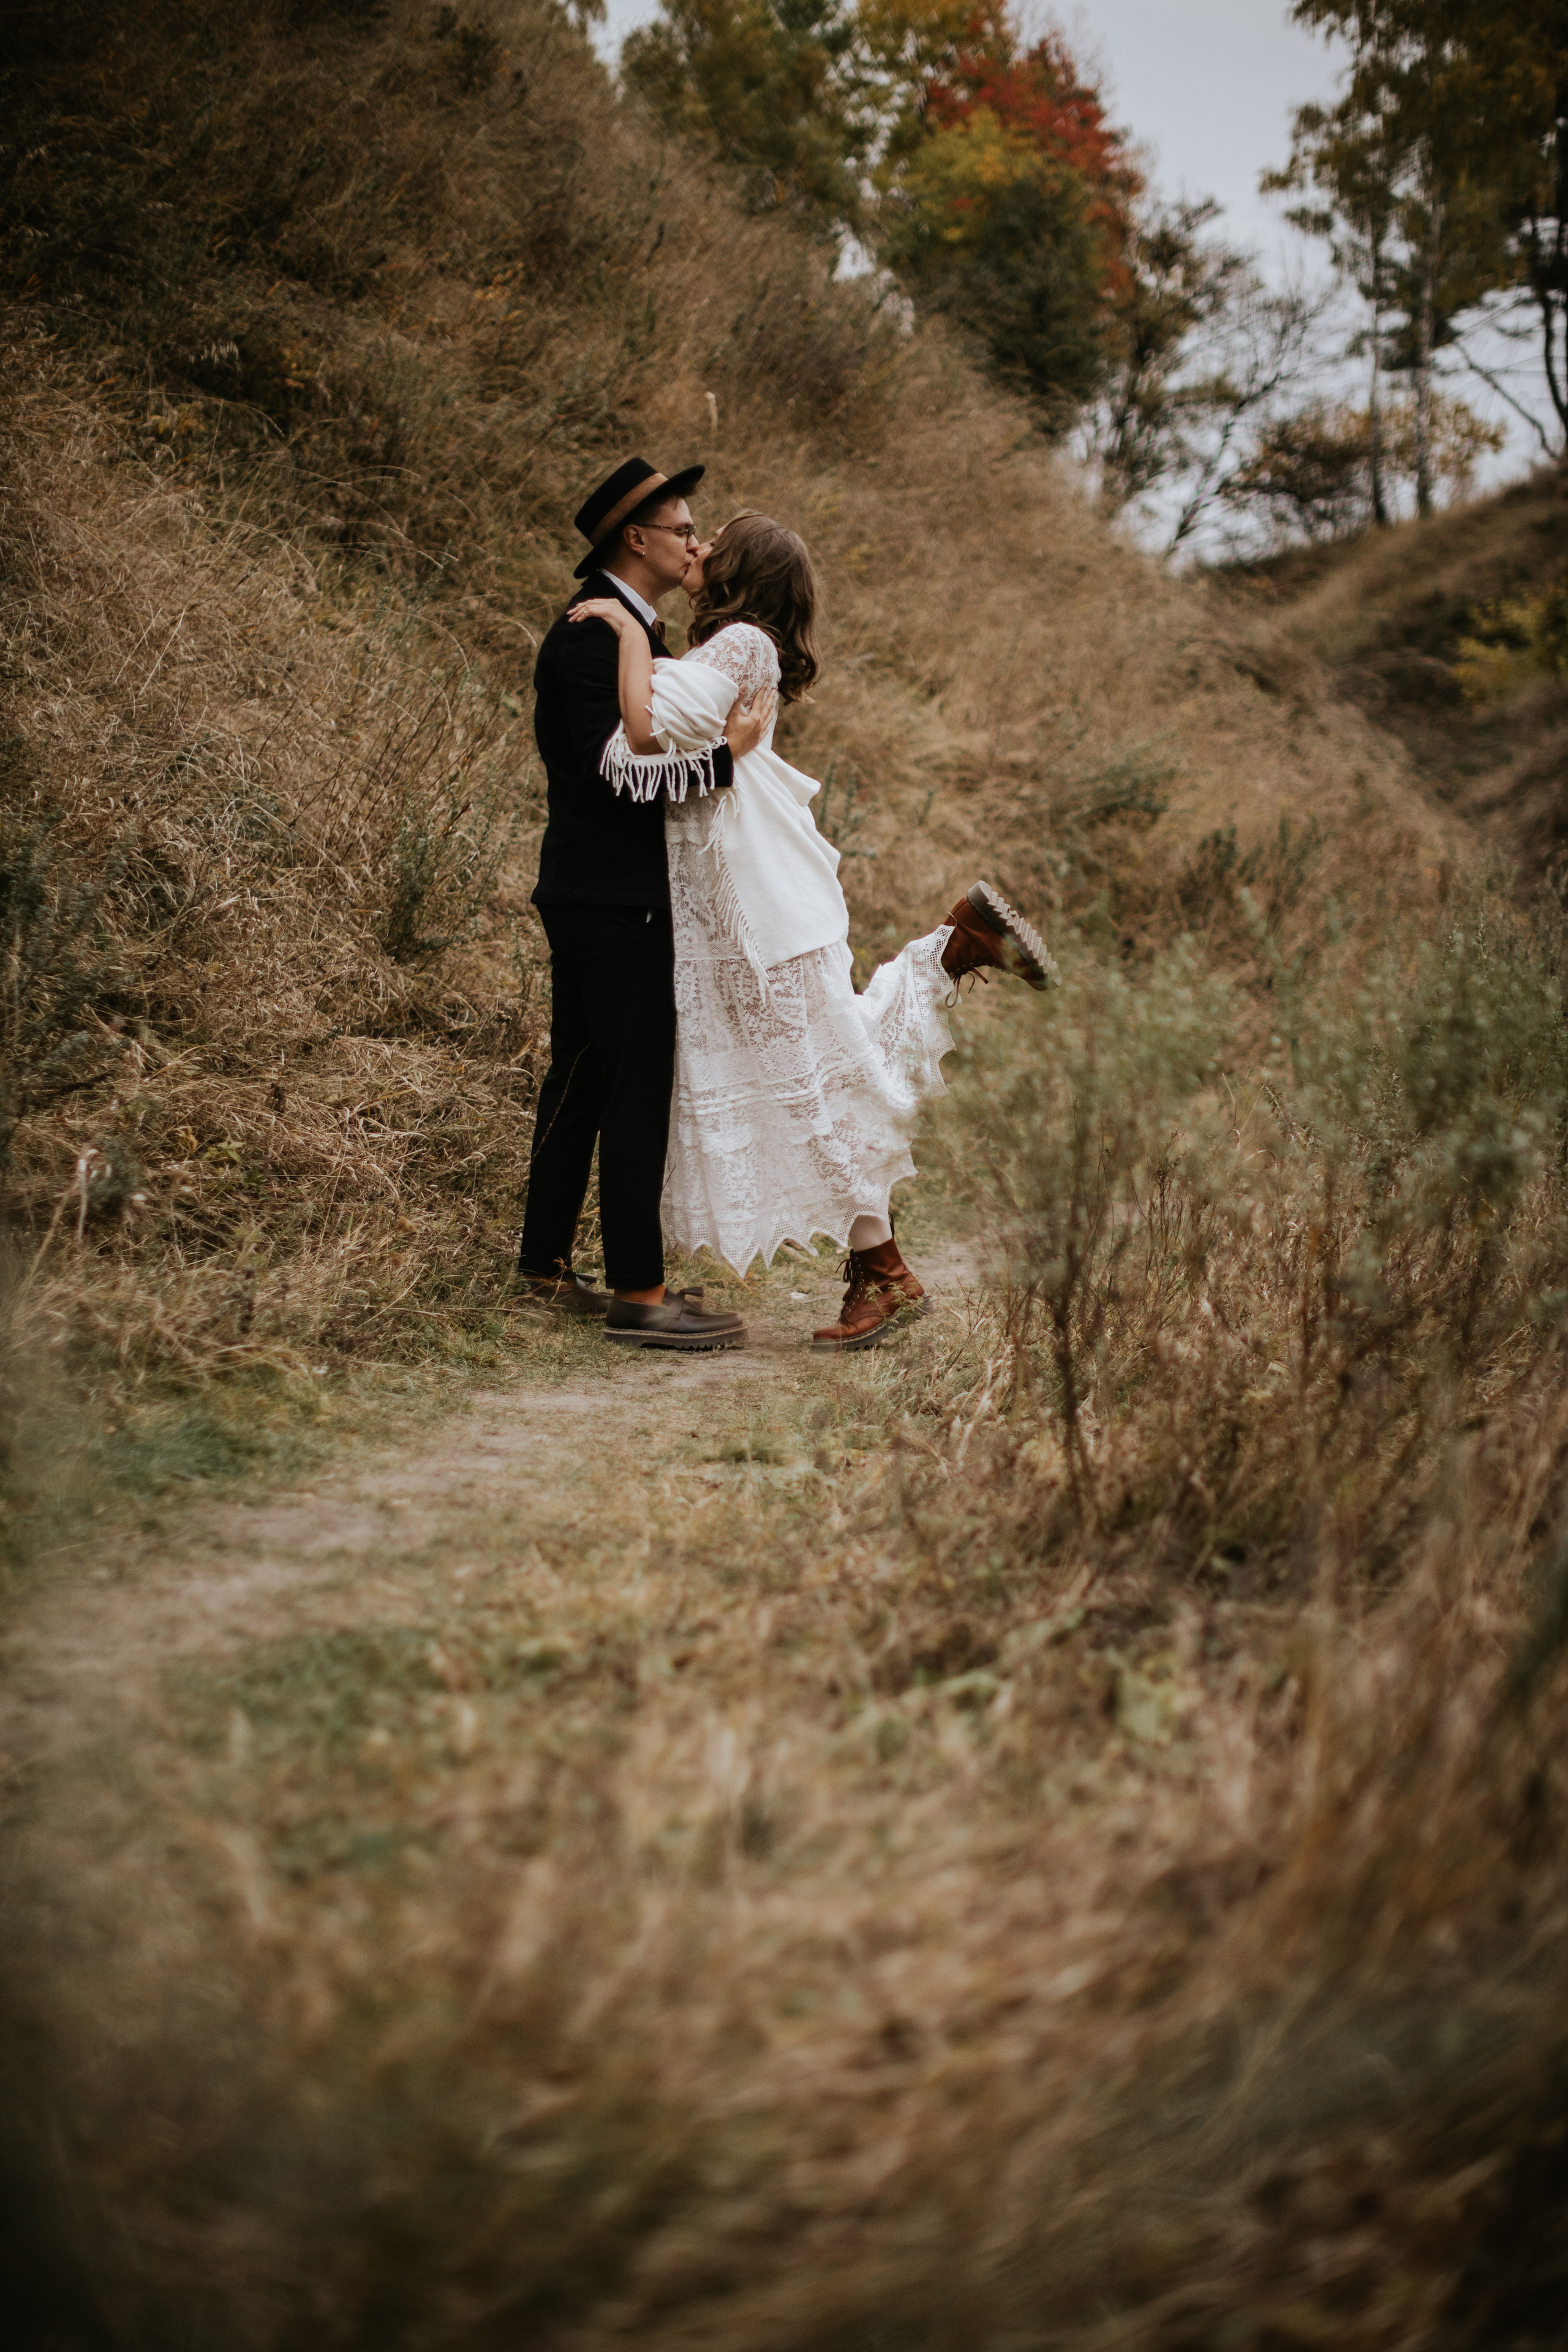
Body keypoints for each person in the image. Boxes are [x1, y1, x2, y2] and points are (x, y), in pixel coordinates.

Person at [571, 510, 1057, 1351]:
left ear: (740, 568)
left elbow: (644, 728)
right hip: (756, 907)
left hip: (757, 916)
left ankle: (889, 1276)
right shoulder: (740, 650)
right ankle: (950, 951)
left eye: (714, 539)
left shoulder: (741, 645)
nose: (700, 545)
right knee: (819, 1083)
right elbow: (677, 750)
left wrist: (623, 632)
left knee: (813, 1090)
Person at [516, 458, 771, 1353]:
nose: (696, 543)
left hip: (593, 891)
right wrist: (725, 763)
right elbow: (614, 775)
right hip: (616, 899)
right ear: (638, 539)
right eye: (683, 529)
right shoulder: (596, 633)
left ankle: (543, 1264)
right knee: (633, 1089)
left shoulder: (625, 631)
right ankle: (639, 1291)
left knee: (582, 1080)